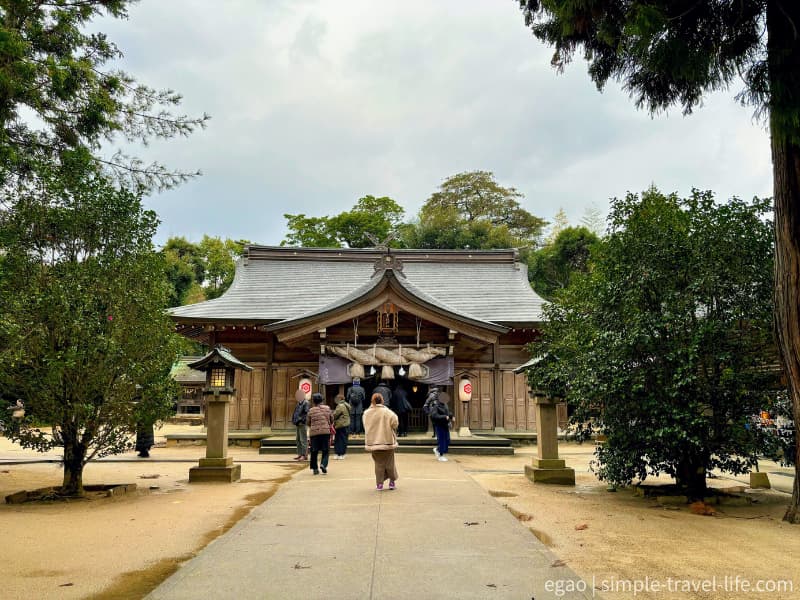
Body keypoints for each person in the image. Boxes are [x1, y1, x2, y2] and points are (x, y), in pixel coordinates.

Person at [363, 392, 399, 490]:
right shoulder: (387, 412)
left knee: (378, 464)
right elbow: (395, 422)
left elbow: (365, 426)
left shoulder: (367, 413)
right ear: (382, 400)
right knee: (390, 463)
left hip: (374, 442)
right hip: (387, 441)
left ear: (372, 401)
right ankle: (392, 482)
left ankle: (379, 484)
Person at [307, 393, 333, 475]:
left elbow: (308, 422)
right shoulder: (327, 408)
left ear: (313, 401)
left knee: (314, 451)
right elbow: (331, 419)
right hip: (325, 432)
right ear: (322, 400)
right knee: (325, 450)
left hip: (314, 433)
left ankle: (315, 468)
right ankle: (323, 464)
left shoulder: (311, 410)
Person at [429, 391, 453, 461]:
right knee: (442, 441)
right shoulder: (436, 406)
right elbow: (434, 415)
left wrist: (451, 416)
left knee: (447, 440)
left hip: (445, 425)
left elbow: (448, 413)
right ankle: (440, 455)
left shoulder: (445, 405)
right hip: (439, 425)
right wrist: (444, 417)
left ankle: (437, 449)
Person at [291, 388, 309, 461]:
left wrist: (300, 420)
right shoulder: (298, 403)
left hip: (302, 424)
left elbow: (306, 414)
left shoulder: (306, 403)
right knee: (298, 439)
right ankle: (299, 454)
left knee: (303, 440)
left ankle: (304, 455)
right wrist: (294, 420)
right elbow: (295, 413)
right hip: (297, 424)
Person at [332, 393, 351, 459]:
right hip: (346, 424)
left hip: (340, 424)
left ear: (340, 399)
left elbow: (335, 414)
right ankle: (343, 453)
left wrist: (332, 416)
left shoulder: (340, 405)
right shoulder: (346, 405)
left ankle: (339, 454)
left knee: (338, 440)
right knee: (344, 439)